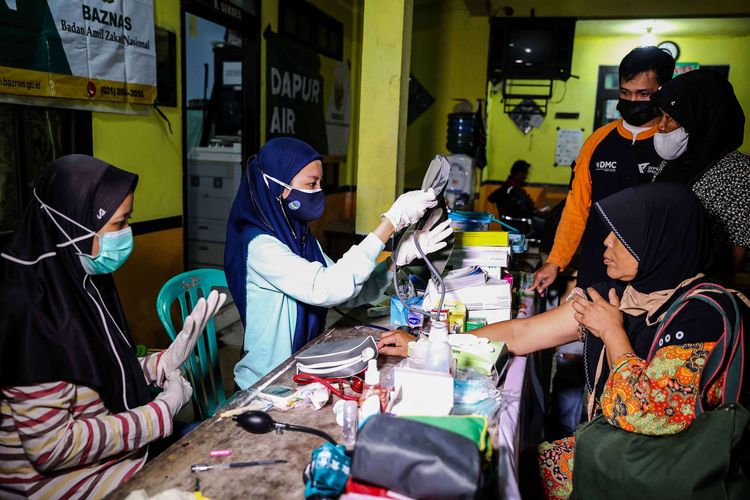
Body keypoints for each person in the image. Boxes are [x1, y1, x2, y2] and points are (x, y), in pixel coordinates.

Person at [378, 182, 748, 497]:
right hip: (619, 449)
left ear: (660, 243)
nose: (605, 243)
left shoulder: (703, 315)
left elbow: (646, 414)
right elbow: (522, 333)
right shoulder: (622, 295)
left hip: (670, 472)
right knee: (499, 470)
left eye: (621, 237)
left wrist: (612, 332)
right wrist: (426, 344)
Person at [0, 155, 225, 498]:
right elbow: (51, 448)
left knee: (218, 441)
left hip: (114, 457)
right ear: (73, 225)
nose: (127, 236)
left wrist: (159, 364)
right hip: (63, 483)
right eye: (119, 225)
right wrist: (160, 412)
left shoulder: (81, 274)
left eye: (128, 221)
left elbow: (95, 370)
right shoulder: (33, 312)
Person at [225, 137, 452, 389]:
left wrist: (394, 262)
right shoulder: (260, 246)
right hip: (267, 382)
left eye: (321, 183)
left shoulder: (298, 237)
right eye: (311, 184)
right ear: (277, 187)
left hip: (302, 365)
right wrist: (391, 222)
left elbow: (345, 292)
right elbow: (326, 288)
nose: (318, 190)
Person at [529, 46, 675, 295]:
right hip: (596, 267)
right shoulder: (598, 141)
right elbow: (576, 208)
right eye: (625, 93)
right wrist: (555, 261)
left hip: (651, 276)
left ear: (662, 92)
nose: (632, 101)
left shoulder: (673, 143)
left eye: (643, 94)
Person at [650, 68, 749, 280]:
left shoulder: (739, 173)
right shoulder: (674, 162)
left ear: (702, 119)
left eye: (672, 118)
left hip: (695, 289)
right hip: (655, 278)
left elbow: (734, 251)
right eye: (662, 115)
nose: (662, 126)